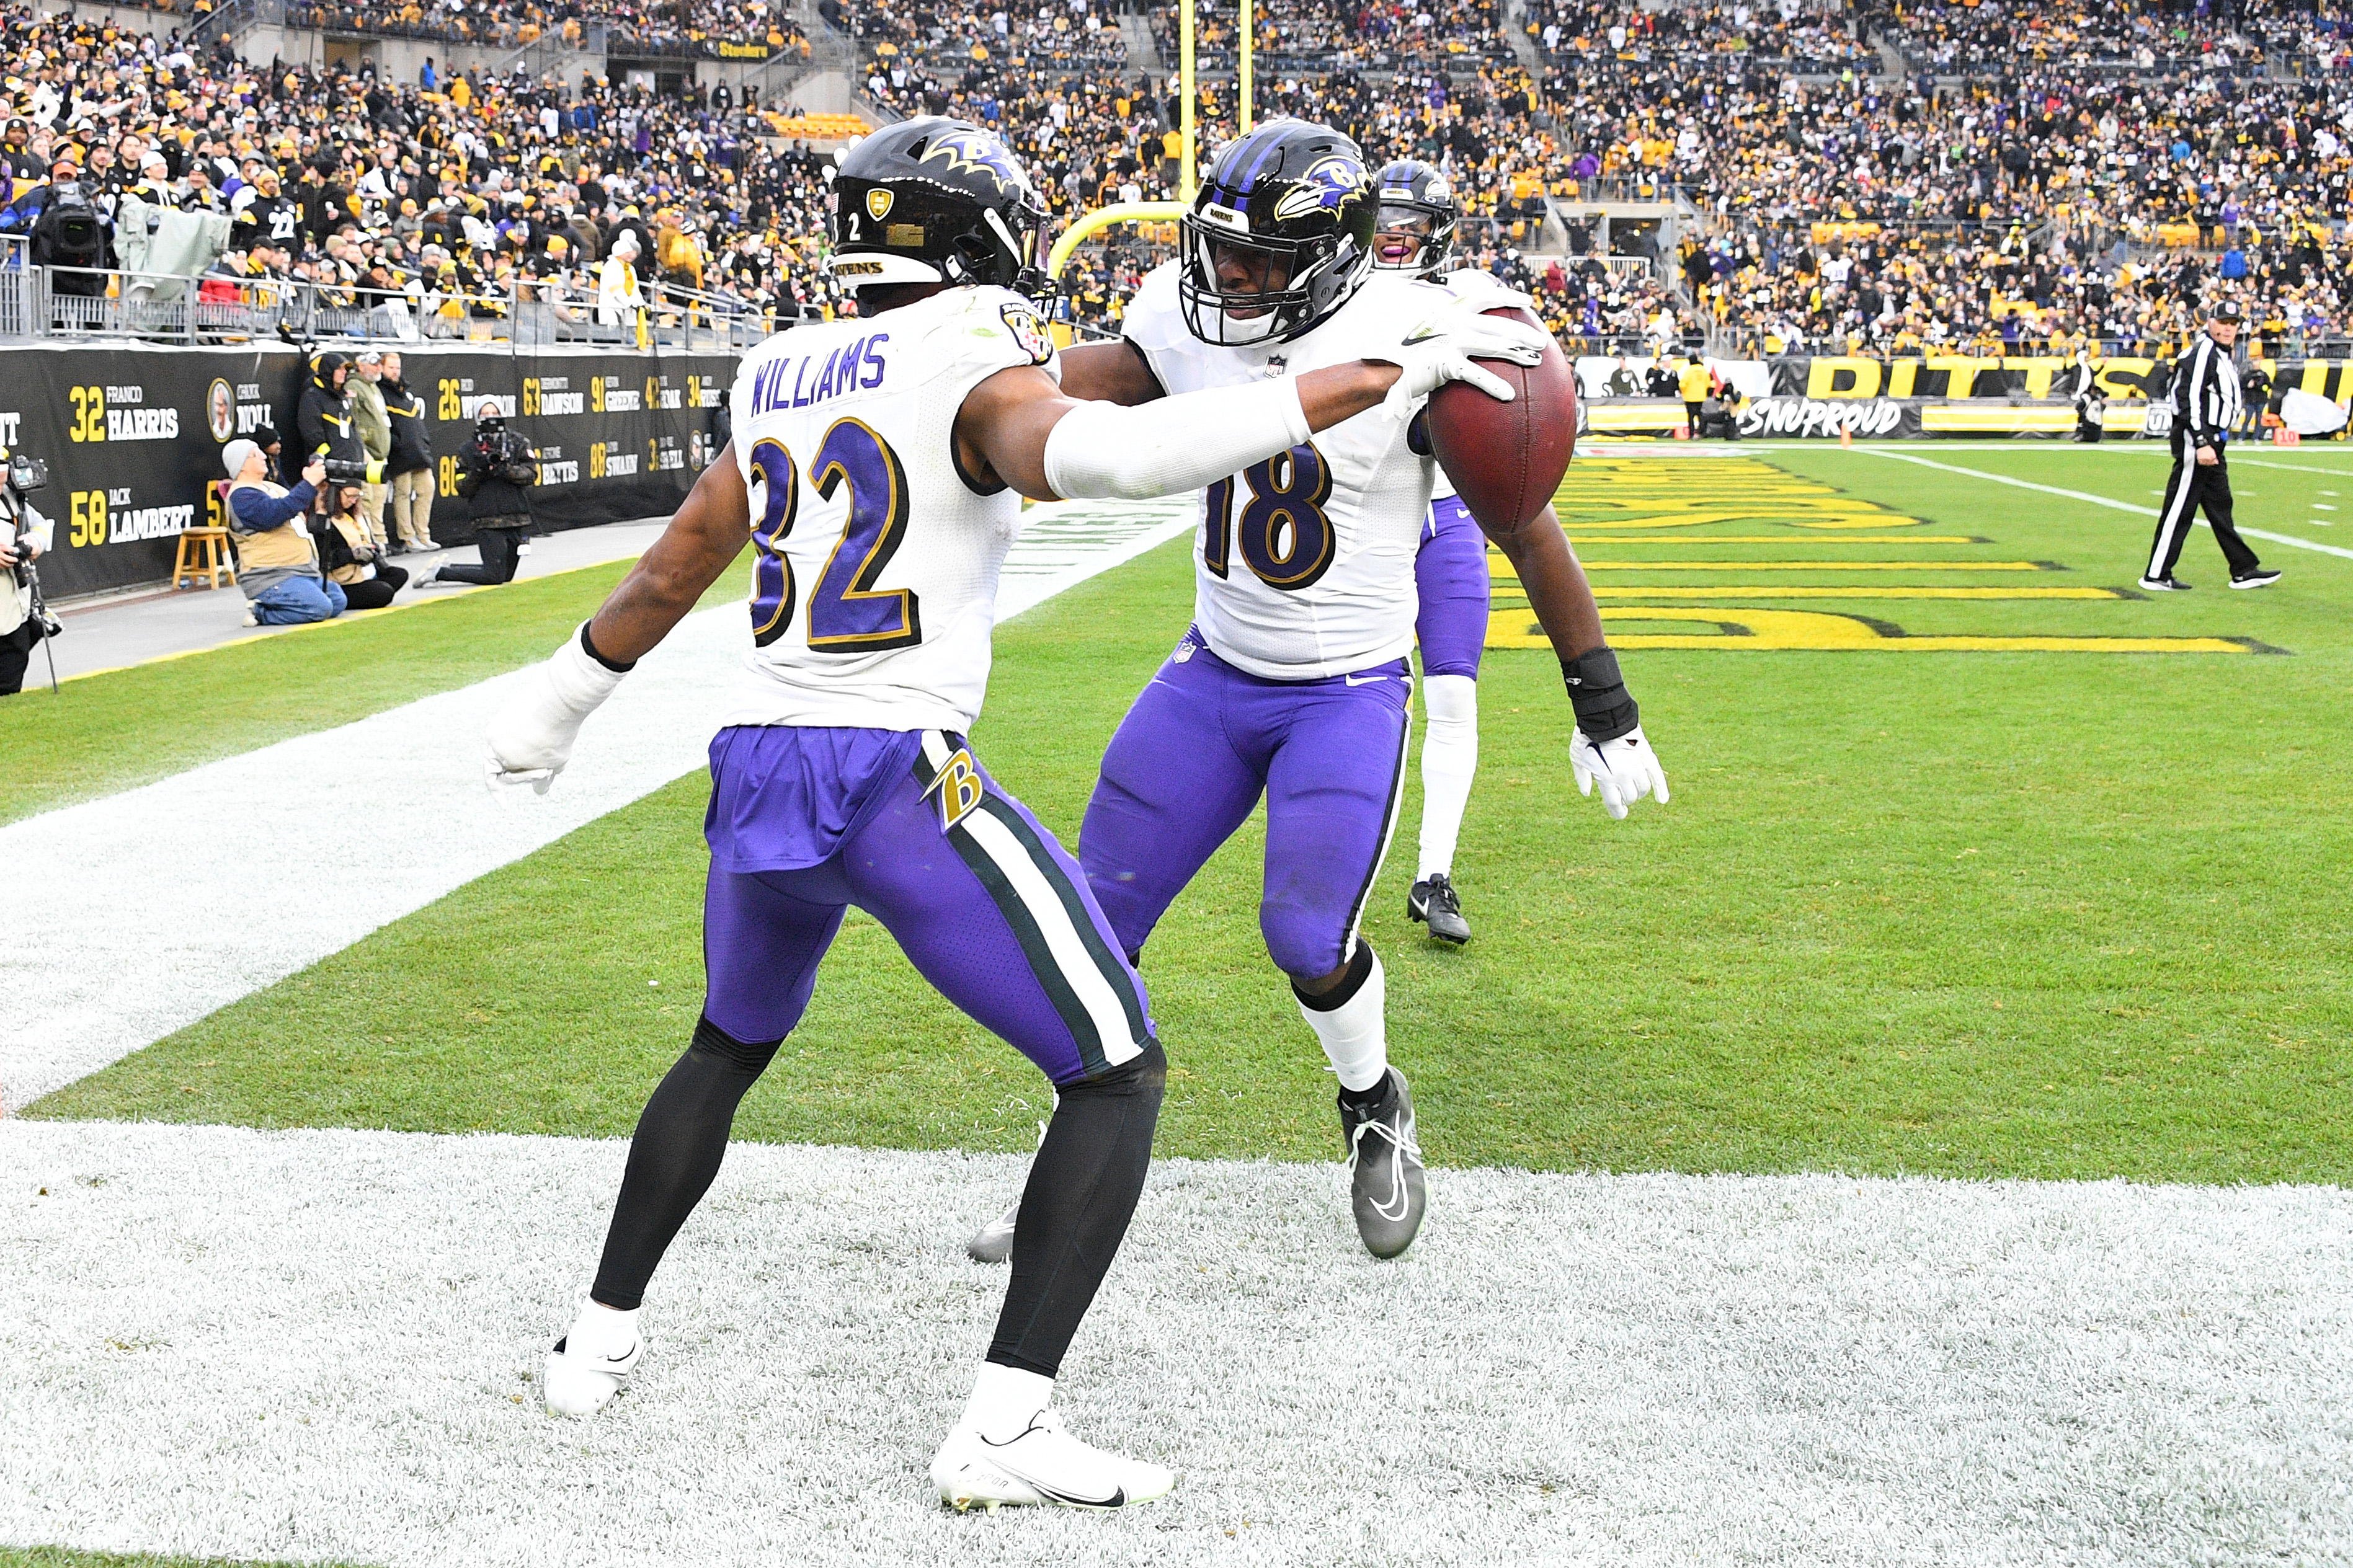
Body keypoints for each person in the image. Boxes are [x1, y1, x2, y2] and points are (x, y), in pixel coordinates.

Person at [481, 115, 1536, 1513]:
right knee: (1116, 1067)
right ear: (975, 233)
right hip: (888, 772)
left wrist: (556, 707)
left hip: (755, 761)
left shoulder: (777, 360)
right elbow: (1112, 461)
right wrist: (1359, 380)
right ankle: (1005, 1424)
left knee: (725, 1045)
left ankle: (593, 1343)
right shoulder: (964, 351)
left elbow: (682, 561)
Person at [974, 120, 1666, 1267]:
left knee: (1304, 933)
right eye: (1220, 253)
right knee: (1096, 928)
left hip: (1339, 688)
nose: (1230, 281)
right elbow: (1067, 391)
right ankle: (1067, 1146)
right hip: (1209, 671)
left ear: (1341, 257)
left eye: (1261, 263)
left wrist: (1599, 696)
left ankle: (1372, 1099)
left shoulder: (1413, 335)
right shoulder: (1183, 310)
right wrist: (960, 377)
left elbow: (1524, 525)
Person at [1369, 157, 1482, 946]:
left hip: (1444, 517)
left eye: (1406, 225)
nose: (1392, 238)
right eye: (1381, 224)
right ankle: (1348, 857)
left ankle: (1433, 874)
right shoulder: (1330, 299)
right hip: (1362, 520)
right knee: (1358, 696)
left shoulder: (1470, 301)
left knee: (1452, 699)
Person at [2142, 303, 2280, 592]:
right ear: (2210, 322)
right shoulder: (2203, 352)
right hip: (2199, 441)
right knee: (2180, 507)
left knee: (2220, 507)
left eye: (2234, 322)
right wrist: (2202, 441)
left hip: (2215, 441)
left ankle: (2244, 570)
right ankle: (2156, 574)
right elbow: (2185, 398)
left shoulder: (2221, 354)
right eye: (2223, 322)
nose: (2228, 328)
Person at [221, 437, 345, 626]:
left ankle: (287, 604)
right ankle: (261, 613)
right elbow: (273, 514)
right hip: (271, 575)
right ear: (242, 465)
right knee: (321, 608)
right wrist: (308, 483)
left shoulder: (272, 487)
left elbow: (294, 503)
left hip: (301, 571)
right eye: (256, 454)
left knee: (337, 601)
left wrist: (315, 488)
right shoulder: (241, 495)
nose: (264, 456)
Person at [414, 415, 535, 588]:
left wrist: (506, 469)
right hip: (486, 517)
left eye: (495, 412)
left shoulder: (518, 442)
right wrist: (479, 471)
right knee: (494, 576)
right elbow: (462, 488)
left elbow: (531, 475)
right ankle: (441, 572)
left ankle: (446, 569)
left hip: (516, 515)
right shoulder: (468, 449)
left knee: (505, 576)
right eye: (486, 413)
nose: (491, 418)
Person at [380, 352, 438, 552]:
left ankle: (424, 534)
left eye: (398, 368)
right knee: (403, 494)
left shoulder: (407, 391)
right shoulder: (380, 392)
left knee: (427, 489)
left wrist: (423, 442)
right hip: (400, 453)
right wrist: (397, 444)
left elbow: (416, 424)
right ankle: (408, 537)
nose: (395, 372)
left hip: (419, 451)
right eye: (391, 368)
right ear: (382, 368)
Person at [0, 470, 50, 696]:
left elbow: (41, 525)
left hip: (14, 616)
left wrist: (34, 541)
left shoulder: (11, 495)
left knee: (9, 694)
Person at [348, 350, 394, 553]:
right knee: (367, 496)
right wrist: (362, 444)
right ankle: (368, 538)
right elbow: (353, 418)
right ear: (361, 365)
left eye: (379, 364)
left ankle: (380, 537)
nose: (378, 368)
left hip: (380, 451)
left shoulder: (373, 387)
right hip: (366, 450)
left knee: (380, 497)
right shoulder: (354, 386)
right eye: (374, 364)